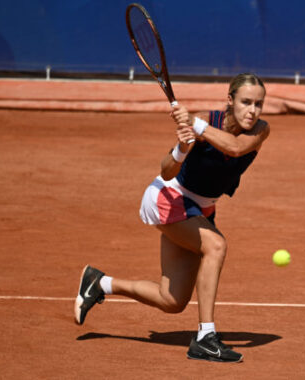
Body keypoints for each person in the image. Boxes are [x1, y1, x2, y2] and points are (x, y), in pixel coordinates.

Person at [74, 73, 270, 363]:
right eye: (245, 102)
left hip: (200, 209)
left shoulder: (260, 130)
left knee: (172, 300)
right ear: (230, 101)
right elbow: (166, 171)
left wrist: (195, 124)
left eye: (258, 104)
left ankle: (100, 283)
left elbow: (235, 148)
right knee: (215, 246)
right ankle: (205, 337)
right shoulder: (206, 120)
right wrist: (182, 149)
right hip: (168, 197)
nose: (252, 111)